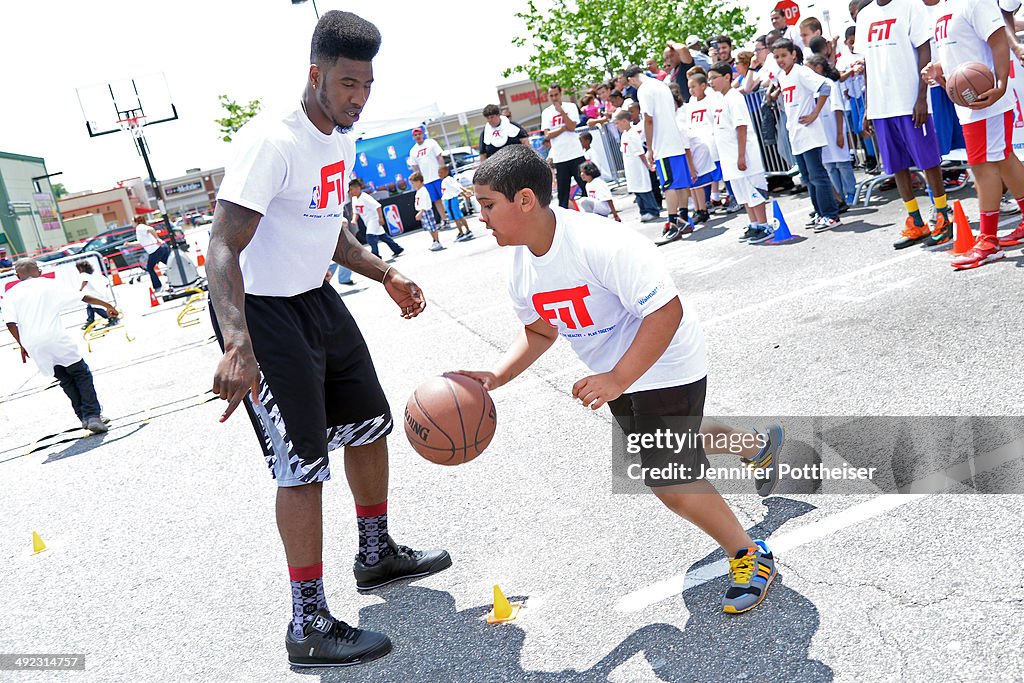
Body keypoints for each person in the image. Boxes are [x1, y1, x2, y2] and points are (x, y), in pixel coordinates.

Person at [206, 11, 450, 669]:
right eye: (347, 84)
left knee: (371, 421)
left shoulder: (339, 138)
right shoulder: (271, 142)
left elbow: (327, 226)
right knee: (304, 463)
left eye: (366, 85)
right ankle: (307, 619)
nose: (358, 97)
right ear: (314, 74)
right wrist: (236, 341)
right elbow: (222, 244)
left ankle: (375, 553)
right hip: (261, 315)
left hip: (316, 297)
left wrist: (385, 270)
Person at [460, 145, 785, 615]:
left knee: (671, 481)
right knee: (676, 440)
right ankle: (756, 445)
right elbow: (540, 329)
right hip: (620, 372)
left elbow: (665, 311)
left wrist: (616, 376)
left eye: (488, 205)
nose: (481, 217)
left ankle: (751, 554)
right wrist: (496, 374)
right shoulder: (521, 262)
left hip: (666, 360)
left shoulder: (599, 243)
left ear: (525, 200)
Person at [925, 0, 1024, 268]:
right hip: (969, 103)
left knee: (982, 166)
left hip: (987, 100)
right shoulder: (940, 11)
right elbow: (956, 56)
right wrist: (937, 70)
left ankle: (988, 242)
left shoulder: (973, 1)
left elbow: (998, 40)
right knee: (1004, 159)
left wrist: (1001, 84)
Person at [856, 0, 953, 249]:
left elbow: (924, 51)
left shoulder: (910, 6)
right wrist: (868, 106)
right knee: (897, 165)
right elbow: (868, 64)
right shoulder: (865, 15)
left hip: (909, 99)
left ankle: (943, 216)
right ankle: (916, 221)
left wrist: (922, 97)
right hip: (881, 105)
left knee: (928, 161)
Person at [4, 258, 118, 434]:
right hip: (55, 338)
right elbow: (83, 296)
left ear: (17, 276)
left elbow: (10, 323)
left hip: (34, 344)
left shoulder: (11, 294)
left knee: (65, 379)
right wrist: (107, 305)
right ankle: (93, 415)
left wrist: (22, 345)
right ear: (39, 271)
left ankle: (84, 417)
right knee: (81, 373)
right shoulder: (48, 284)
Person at [773, 39, 842, 231]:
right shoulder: (782, 76)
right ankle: (820, 213)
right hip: (795, 133)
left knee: (818, 175)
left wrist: (815, 113)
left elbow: (825, 87)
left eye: (784, 55)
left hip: (809, 132)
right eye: (777, 57)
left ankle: (831, 215)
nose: (781, 60)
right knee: (807, 178)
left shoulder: (801, 72)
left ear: (793, 55)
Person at [625, 65, 698, 238]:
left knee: (668, 185)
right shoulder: (661, 85)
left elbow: (649, 120)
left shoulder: (644, 90)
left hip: (663, 144)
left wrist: (650, 148)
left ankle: (672, 224)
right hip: (675, 141)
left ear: (631, 79)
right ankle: (683, 219)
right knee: (680, 183)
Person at [708, 63, 775, 243]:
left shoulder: (734, 97)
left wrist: (740, 155)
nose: (711, 82)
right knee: (742, 193)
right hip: (729, 157)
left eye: (714, 78)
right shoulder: (720, 100)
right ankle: (753, 224)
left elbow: (741, 127)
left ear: (727, 77)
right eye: (709, 79)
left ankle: (764, 224)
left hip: (742, 156)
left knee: (753, 190)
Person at [805, 55, 858, 208]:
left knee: (842, 163)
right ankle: (839, 197)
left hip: (834, 129)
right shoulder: (812, 88)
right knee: (830, 166)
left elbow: (837, 108)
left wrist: (840, 133)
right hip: (822, 133)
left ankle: (851, 192)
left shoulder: (830, 84)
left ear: (818, 68)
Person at [541, 84, 587, 208]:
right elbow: (547, 135)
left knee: (585, 186)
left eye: (556, 94)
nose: (554, 98)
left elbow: (572, 127)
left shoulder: (570, 107)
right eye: (551, 95)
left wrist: (561, 112)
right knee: (563, 193)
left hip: (576, 153)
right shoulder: (546, 112)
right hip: (560, 157)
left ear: (560, 94)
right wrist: (562, 128)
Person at [614, 110, 661, 222]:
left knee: (644, 189)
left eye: (617, 123)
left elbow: (640, 153)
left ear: (625, 121)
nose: (617, 126)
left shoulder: (633, 134)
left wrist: (648, 166)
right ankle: (643, 211)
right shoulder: (624, 135)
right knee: (637, 190)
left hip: (638, 167)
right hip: (631, 168)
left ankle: (652, 210)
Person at [350, 178, 404, 258]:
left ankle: (375, 255)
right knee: (383, 236)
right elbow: (356, 212)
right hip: (367, 221)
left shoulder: (365, 197)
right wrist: (354, 220)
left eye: (352, 189)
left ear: (358, 188)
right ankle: (397, 249)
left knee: (370, 237)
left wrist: (380, 218)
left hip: (374, 219)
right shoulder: (354, 199)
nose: (351, 191)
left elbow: (378, 206)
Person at [409, 127, 449, 227]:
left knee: (446, 196)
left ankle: (452, 215)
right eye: (415, 135)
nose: (418, 136)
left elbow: (439, 157)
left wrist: (442, 170)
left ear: (423, 135)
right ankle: (444, 219)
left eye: (419, 134)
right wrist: (418, 181)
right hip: (426, 180)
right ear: (413, 137)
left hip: (438, 176)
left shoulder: (431, 143)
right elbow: (415, 167)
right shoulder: (413, 151)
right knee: (436, 200)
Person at [75, 261, 118, 328]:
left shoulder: (83, 274)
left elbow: (85, 281)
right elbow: (106, 282)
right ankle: (90, 320)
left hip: (96, 295)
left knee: (96, 308)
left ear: (80, 269)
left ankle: (111, 318)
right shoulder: (95, 274)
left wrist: (80, 290)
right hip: (102, 293)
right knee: (89, 306)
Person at [438, 165, 475, 242]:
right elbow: (458, 186)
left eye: (441, 173)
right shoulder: (448, 179)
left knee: (456, 217)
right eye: (439, 173)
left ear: (446, 172)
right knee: (459, 216)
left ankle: (461, 232)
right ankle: (467, 231)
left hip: (451, 199)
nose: (439, 174)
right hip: (449, 200)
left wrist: (464, 194)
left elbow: (456, 187)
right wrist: (465, 191)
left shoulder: (447, 180)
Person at [133, 214, 169, 291]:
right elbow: (141, 242)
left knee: (150, 268)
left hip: (155, 250)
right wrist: (129, 244)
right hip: (159, 249)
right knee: (169, 263)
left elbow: (151, 229)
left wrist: (157, 239)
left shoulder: (140, 227)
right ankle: (176, 275)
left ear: (136, 222)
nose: (131, 223)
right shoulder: (140, 229)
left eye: (132, 221)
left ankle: (157, 286)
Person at [411, 172, 445, 251]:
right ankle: (434, 240)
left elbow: (425, 203)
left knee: (432, 227)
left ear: (419, 181)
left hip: (426, 211)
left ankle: (437, 241)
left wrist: (421, 211)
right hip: (422, 211)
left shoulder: (423, 191)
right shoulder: (419, 191)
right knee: (429, 228)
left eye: (413, 183)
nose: (413, 185)